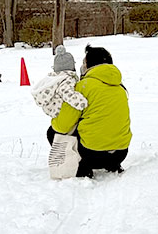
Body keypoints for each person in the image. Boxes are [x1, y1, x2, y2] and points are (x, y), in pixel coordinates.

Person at [48, 45, 132, 177]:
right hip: (121, 153)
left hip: (92, 155)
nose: (82, 67)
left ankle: (81, 167)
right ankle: (112, 165)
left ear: (91, 65)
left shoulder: (83, 87)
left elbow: (63, 126)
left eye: (84, 63)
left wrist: (55, 118)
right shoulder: (120, 88)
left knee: (52, 131)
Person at [31, 44, 88, 119]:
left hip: (52, 109)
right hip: (60, 110)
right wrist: (82, 103)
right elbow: (65, 91)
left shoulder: (53, 78)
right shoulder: (68, 78)